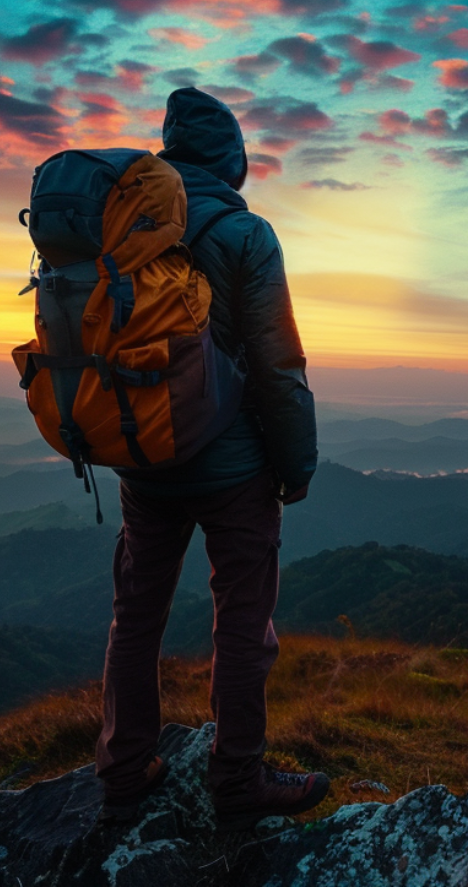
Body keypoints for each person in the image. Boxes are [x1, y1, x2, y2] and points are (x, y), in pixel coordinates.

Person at [94, 87, 327, 832]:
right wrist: (297, 465)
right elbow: (277, 363)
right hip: (233, 469)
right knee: (242, 620)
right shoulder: (247, 233)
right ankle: (237, 777)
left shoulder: (120, 223)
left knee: (135, 615)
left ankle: (125, 767)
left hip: (143, 456)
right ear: (234, 162)